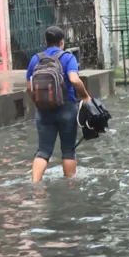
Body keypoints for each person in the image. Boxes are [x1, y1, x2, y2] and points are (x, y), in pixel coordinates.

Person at [26, 26, 91, 183]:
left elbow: (29, 87)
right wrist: (86, 97)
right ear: (62, 42)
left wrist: (38, 102)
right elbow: (74, 80)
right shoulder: (68, 58)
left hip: (43, 110)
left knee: (43, 150)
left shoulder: (36, 59)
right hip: (67, 108)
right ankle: (69, 185)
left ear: (46, 42)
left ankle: (35, 184)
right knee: (68, 150)